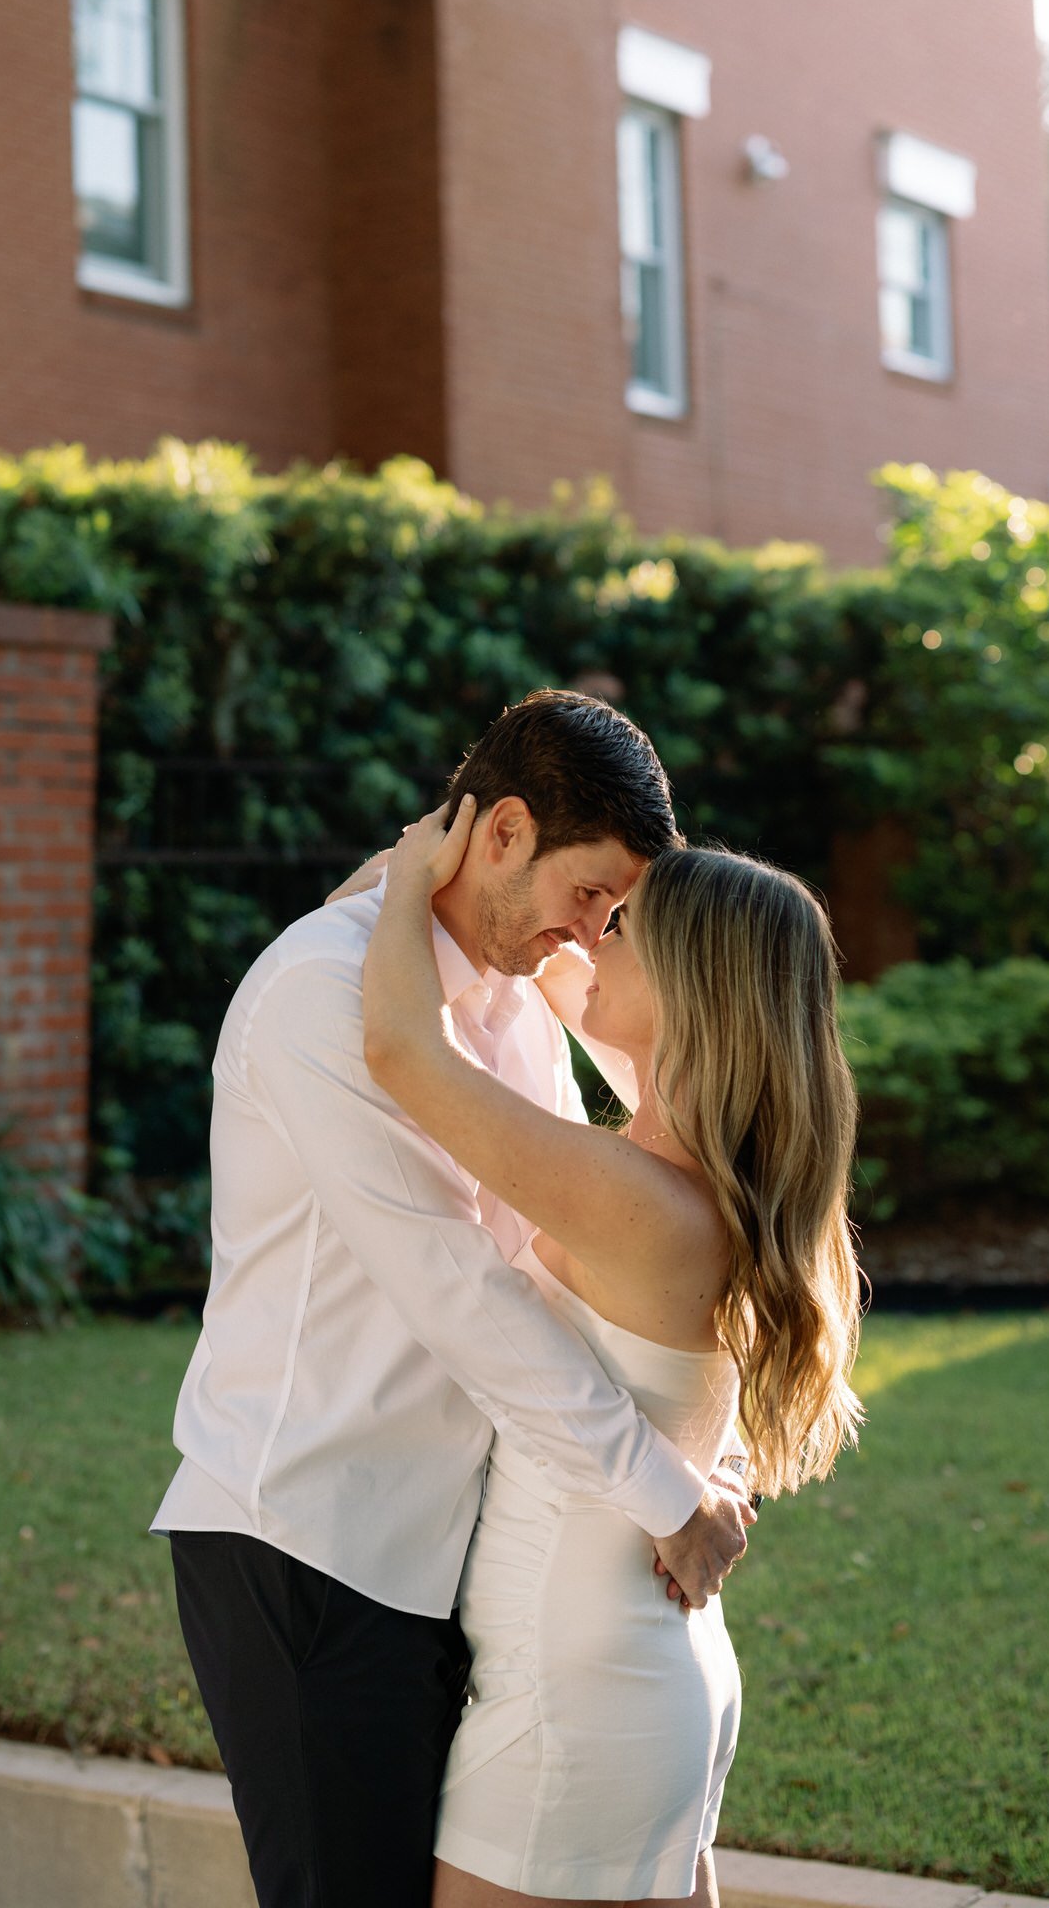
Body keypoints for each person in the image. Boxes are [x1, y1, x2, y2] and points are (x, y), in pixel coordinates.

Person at [151, 692, 754, 1908]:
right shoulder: (321, 995)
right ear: (505, 832)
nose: (592, 932)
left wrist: (707, 1436)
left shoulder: (519, 976)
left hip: (446, 1553)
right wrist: (663, 1492)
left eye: (615, 911)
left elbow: (683, 1087)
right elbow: (460, 1292)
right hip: (308, 1541)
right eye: (589, 894)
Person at [359, 797, 865, 1907]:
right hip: (641, 1665)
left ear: (687, 990)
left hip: (575, 1686)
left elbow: (400, 1048)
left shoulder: (637, 1199)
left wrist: (403, 883)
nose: (590, 939)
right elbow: (555, 975)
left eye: (620, 926)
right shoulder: (701, 1172)